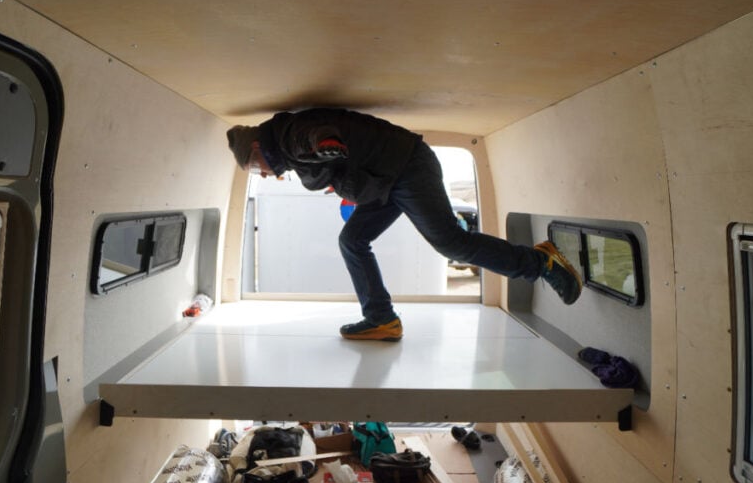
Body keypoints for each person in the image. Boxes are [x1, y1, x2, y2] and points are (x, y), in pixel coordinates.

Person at [227, 108, 582, 342]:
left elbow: (316, 136)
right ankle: (382, 319)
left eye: (258, 168)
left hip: (407, 168)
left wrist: (326, 146)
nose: (265, 176)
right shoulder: (286, 147)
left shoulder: (290, 135)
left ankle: (542, 262)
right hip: (384, 182)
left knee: (451, 244)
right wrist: (347, 185)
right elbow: (334, 162)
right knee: (352, 240)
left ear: (257, 148)